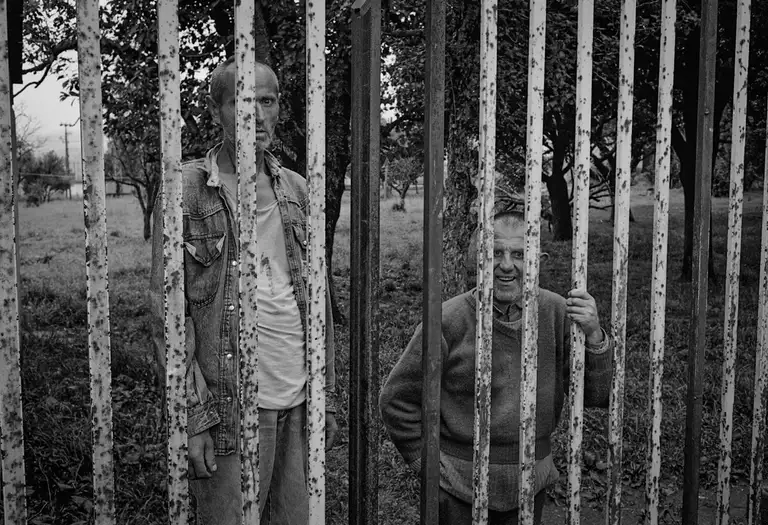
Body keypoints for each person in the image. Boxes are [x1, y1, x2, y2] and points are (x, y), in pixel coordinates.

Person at [149, 56, 338, 525]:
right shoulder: (186, 191)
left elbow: (319, 304)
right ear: (218, 112)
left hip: (297, 401)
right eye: (243, 101)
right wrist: (193, 419)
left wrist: (326, 396)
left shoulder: (297, 188)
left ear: (280, 110)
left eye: (268, 101)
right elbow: (168, 319)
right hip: (230, 411)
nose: (256, 113)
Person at [379, 208, 614, 525]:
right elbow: (397, 400)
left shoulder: (558, 312)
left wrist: (595, 335)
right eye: (495, 253)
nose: (506, 265)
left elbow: (597, 396)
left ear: (538, 260)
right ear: (478, 258)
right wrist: (429, 467)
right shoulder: (447, 319)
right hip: (457, 485)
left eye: (518, 254)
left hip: (531, 481)